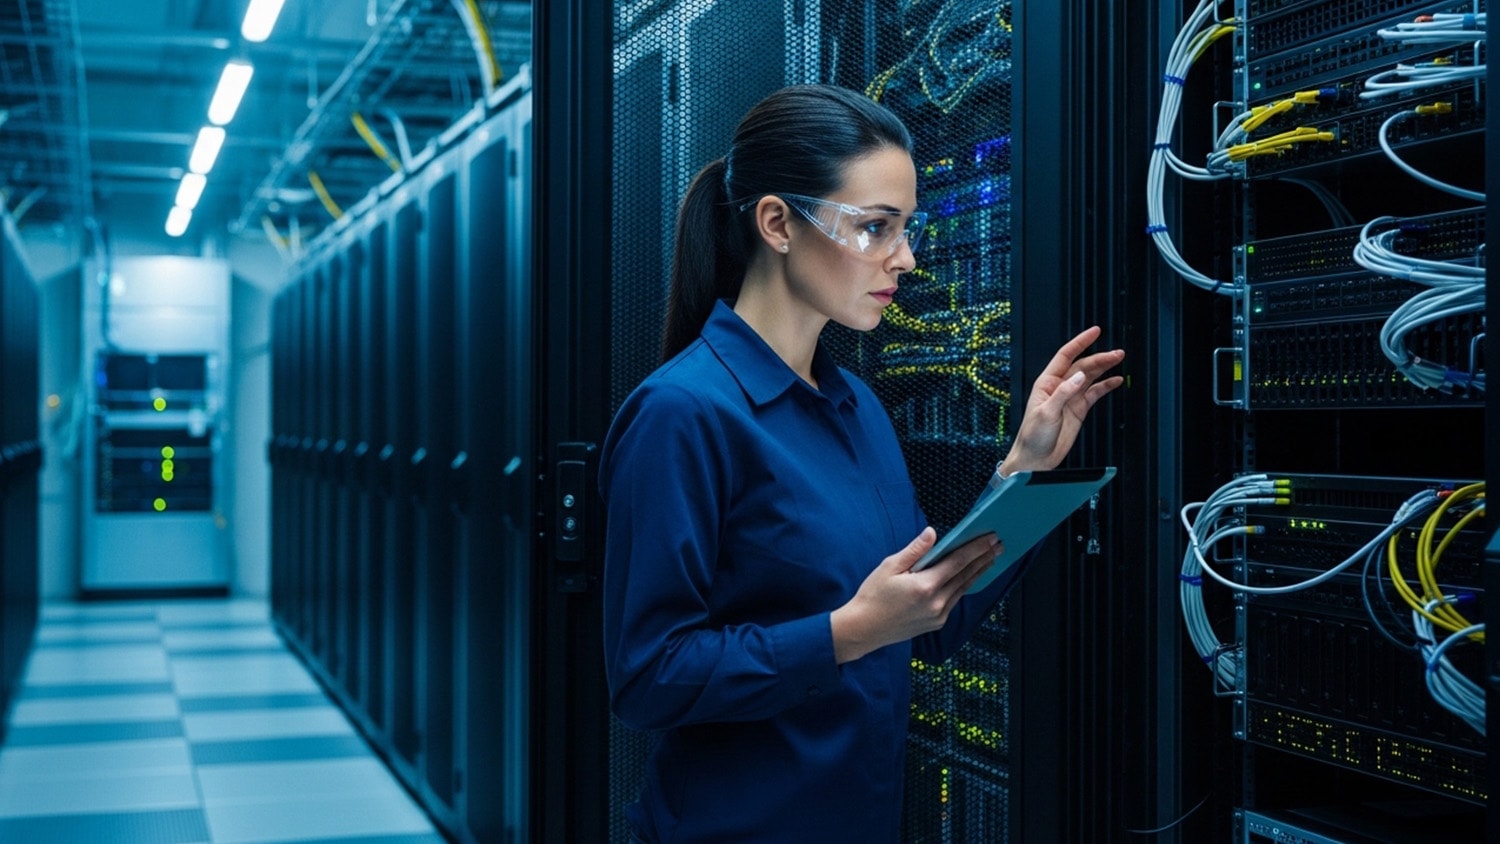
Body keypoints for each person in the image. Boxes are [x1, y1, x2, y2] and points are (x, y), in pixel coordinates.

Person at [600, 84, 1124, 844]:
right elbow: (648, 676)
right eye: (876, 228)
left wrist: (1023, 468)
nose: (905, 258)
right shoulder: (684, 414)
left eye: (904, 228)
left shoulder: (855, 407)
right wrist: (844, 632)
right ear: (777, 222)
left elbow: (925, 622)